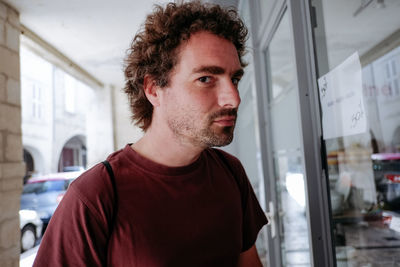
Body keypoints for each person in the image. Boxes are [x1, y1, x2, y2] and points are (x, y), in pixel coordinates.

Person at [33, 2, 268, 266]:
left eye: (234, 79)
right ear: (154, 89)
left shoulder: (230, 172)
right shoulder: (94, 196)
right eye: (205, 79)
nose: (233, 98)